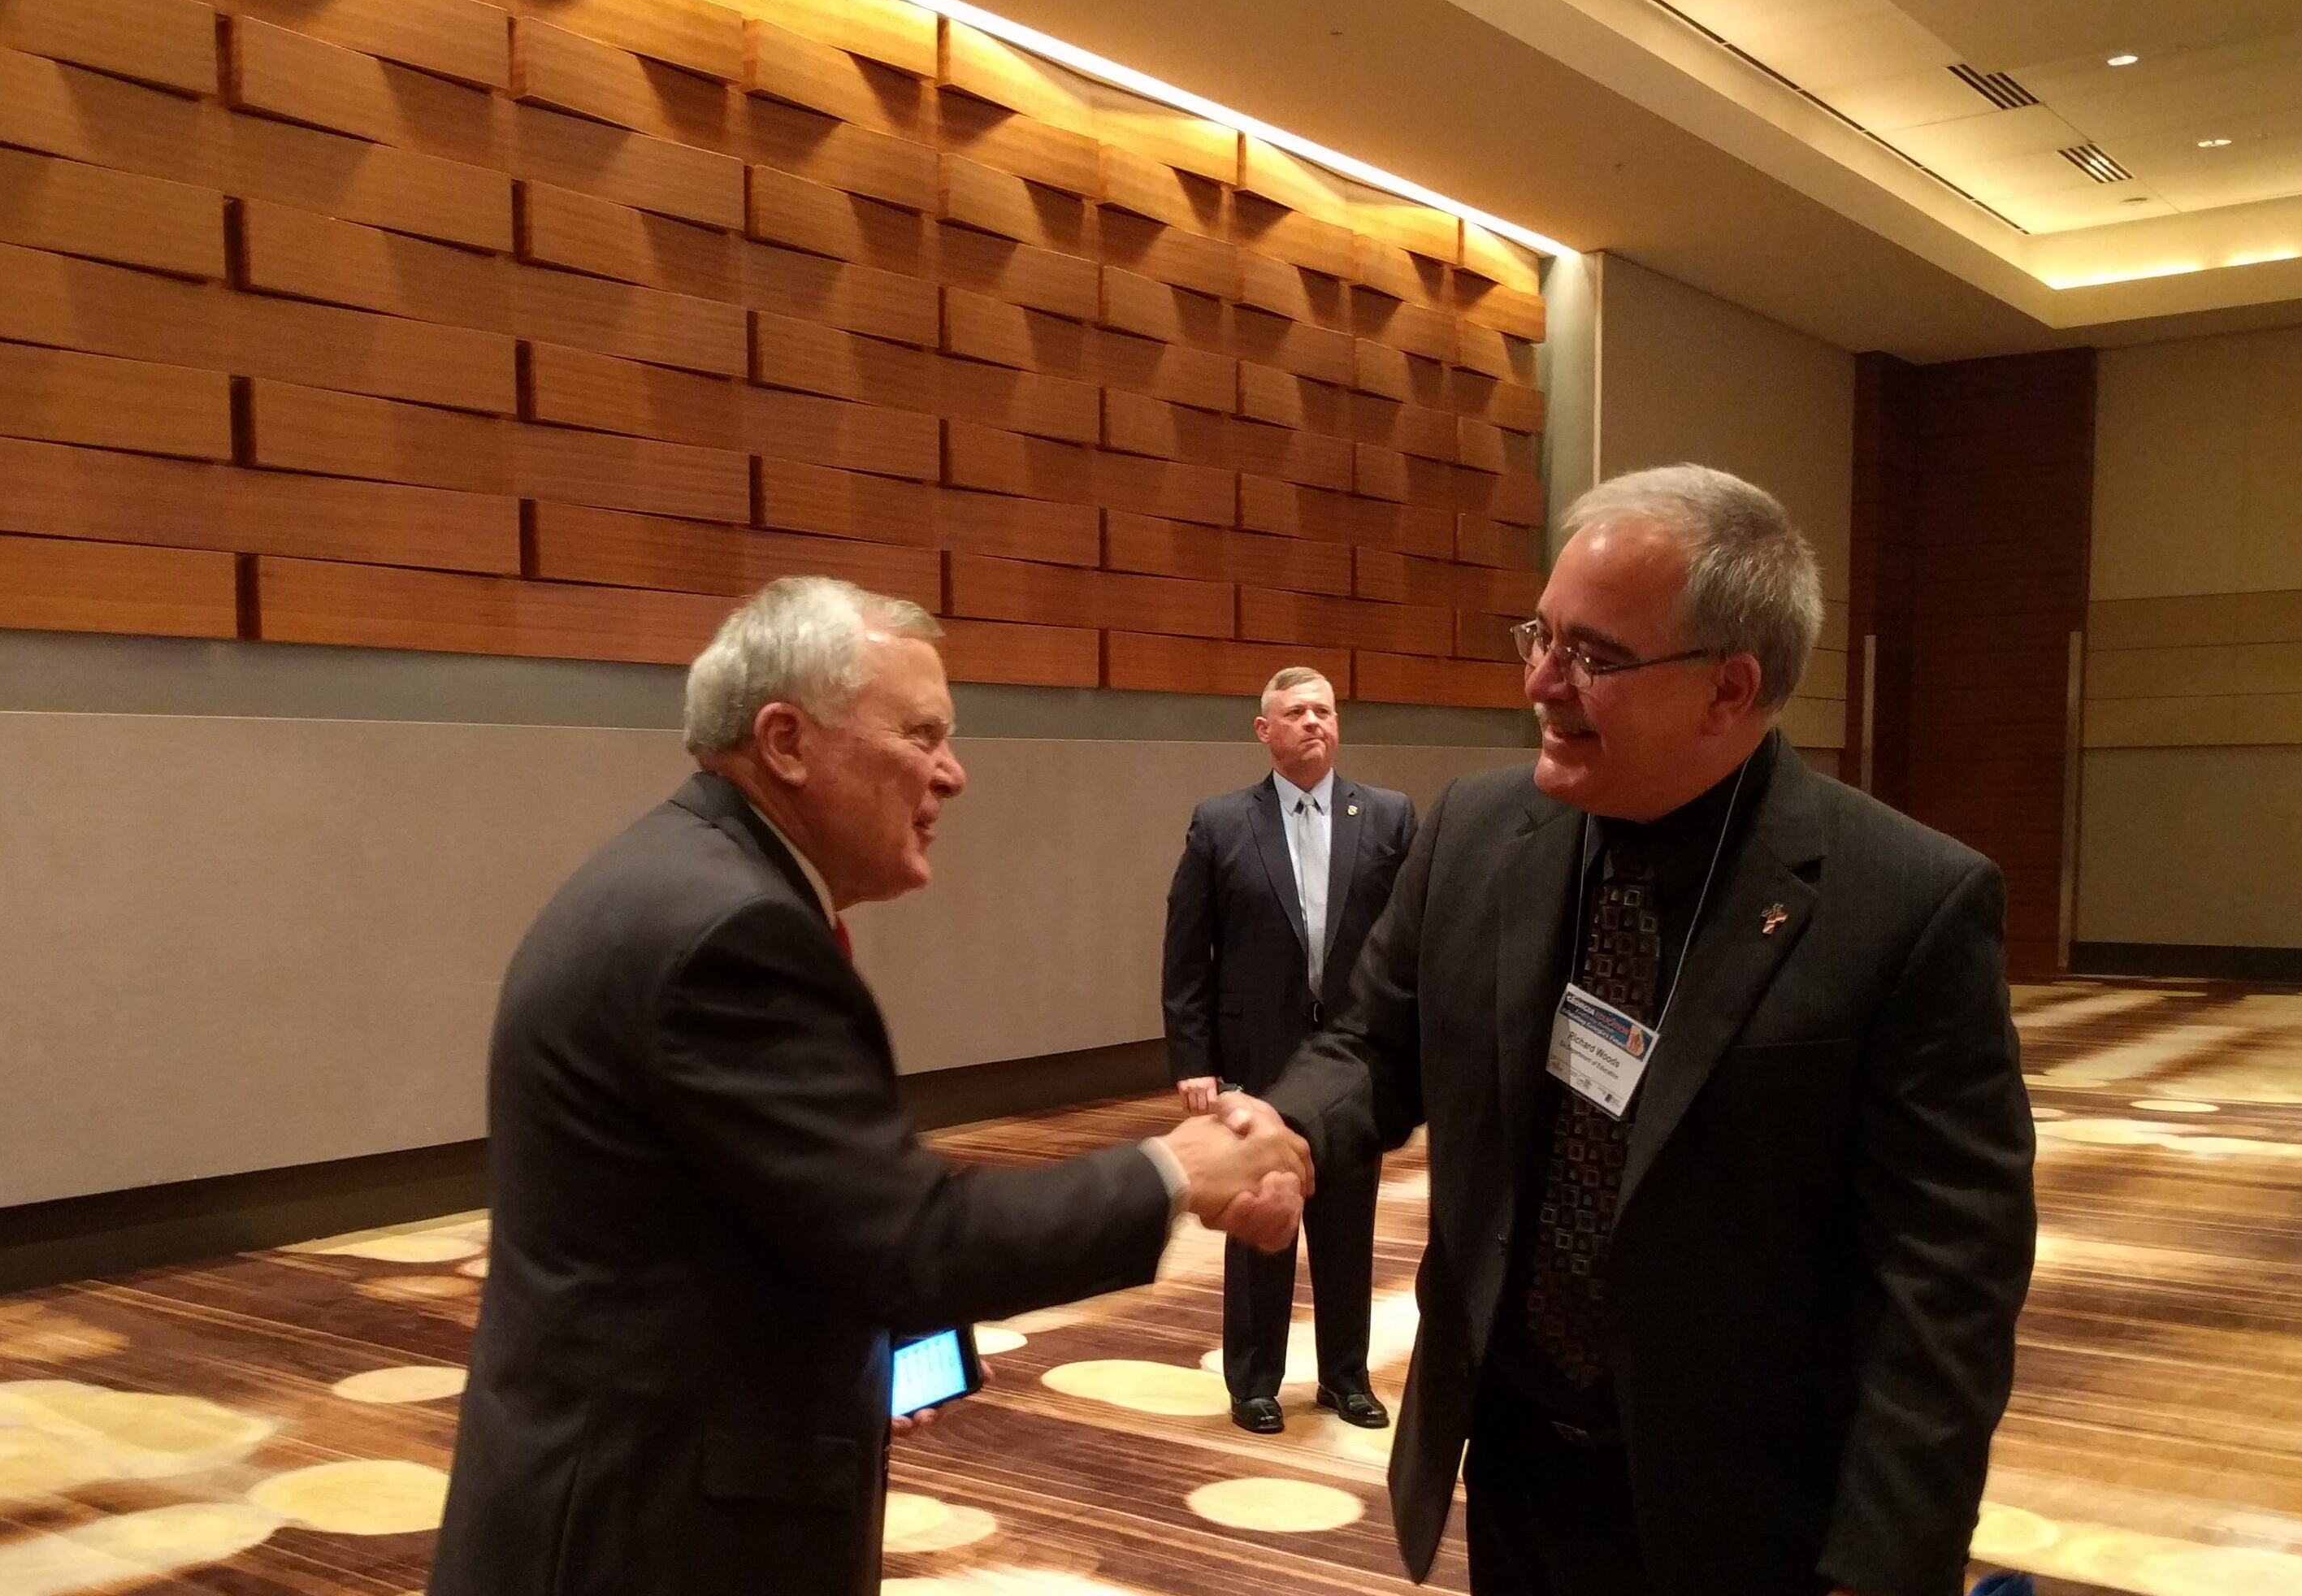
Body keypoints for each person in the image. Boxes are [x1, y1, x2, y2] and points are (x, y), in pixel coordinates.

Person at [429, 576, 1313, 1596]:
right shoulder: (731, 934)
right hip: (646, 1537)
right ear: (787, 741)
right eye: (922, 735)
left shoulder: (693, 881)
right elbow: (916, 1238)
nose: (953, 775)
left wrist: (852, 1347)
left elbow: (768, 1211)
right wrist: (1177, 1167)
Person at [1254, 466, 2036, 1596]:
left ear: (1730, 689)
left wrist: (1884, 1565)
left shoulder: (1907, 904)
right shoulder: (1477, 833)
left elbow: (1948, 1282)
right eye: (1540, 635)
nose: (1539, 682)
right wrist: (1288, 1133)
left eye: (1593, 657)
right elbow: (1375, 1045)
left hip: (1751, 1515)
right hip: (1518, 1467)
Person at [1162, 666, 1418, 1434]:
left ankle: (1344, 1376)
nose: (1314, 722)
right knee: (1259, 1218)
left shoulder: (1388, 816)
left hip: (1355, 1064)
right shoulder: (1220, 823)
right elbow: (1187, 952)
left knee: (1348, 1221)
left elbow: (1409, 946)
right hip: (1256, 1061)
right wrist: (1193, 1061)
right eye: (1296, 712)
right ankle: (1254, 1381)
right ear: (1264, 730)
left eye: (1325, 710)